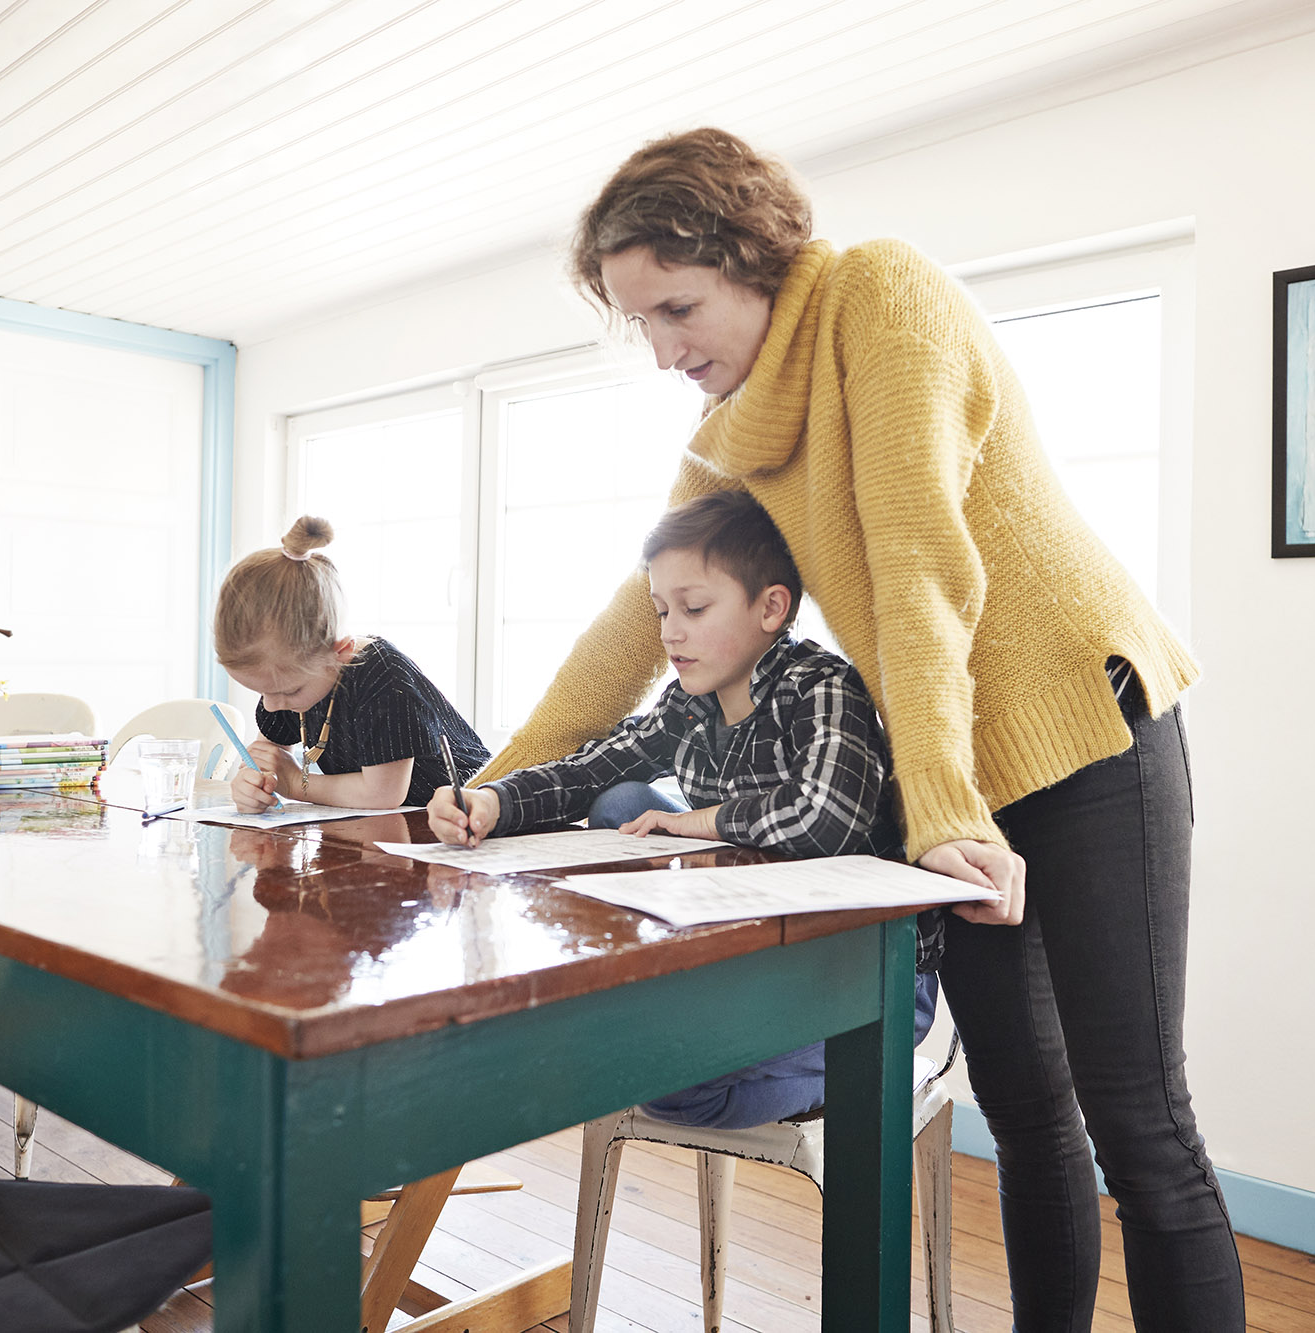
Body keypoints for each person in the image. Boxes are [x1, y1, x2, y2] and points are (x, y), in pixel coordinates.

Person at [474, 129, 1243, 1329]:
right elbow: (628, 626)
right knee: (1026, 1112)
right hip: (959, 784)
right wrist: (494, 785)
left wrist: (935, 811)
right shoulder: (730, 431)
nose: (669, 351)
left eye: (679, 308)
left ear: (751, 254)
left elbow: (918, 565)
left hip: (1087, 734)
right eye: (646, 326)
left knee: (1138, 1123)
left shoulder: (879, 294)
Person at [428, 489, 936, 1129]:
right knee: (622, 799)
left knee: (671, 1087)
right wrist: (491, 801)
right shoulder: (689, 702)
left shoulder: (823, 686)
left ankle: (860, 1064)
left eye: (694, 608)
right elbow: (592, 770)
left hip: (862, 975)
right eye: (662, 609)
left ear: (771, 608)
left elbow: (827, 820)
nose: (670, 631)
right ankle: (666, 1009)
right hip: (758, 957)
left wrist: (703, 819)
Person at [217, 515, 488, 812]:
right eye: (262, 691)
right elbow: (268, 757)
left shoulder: (385, 679)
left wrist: (295, 783)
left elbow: (382, 794)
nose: (270, 705)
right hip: (385, 827)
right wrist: (253, 784)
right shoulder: (288, 681)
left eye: (289, 692)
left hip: (463, 817)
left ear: (341, 652)